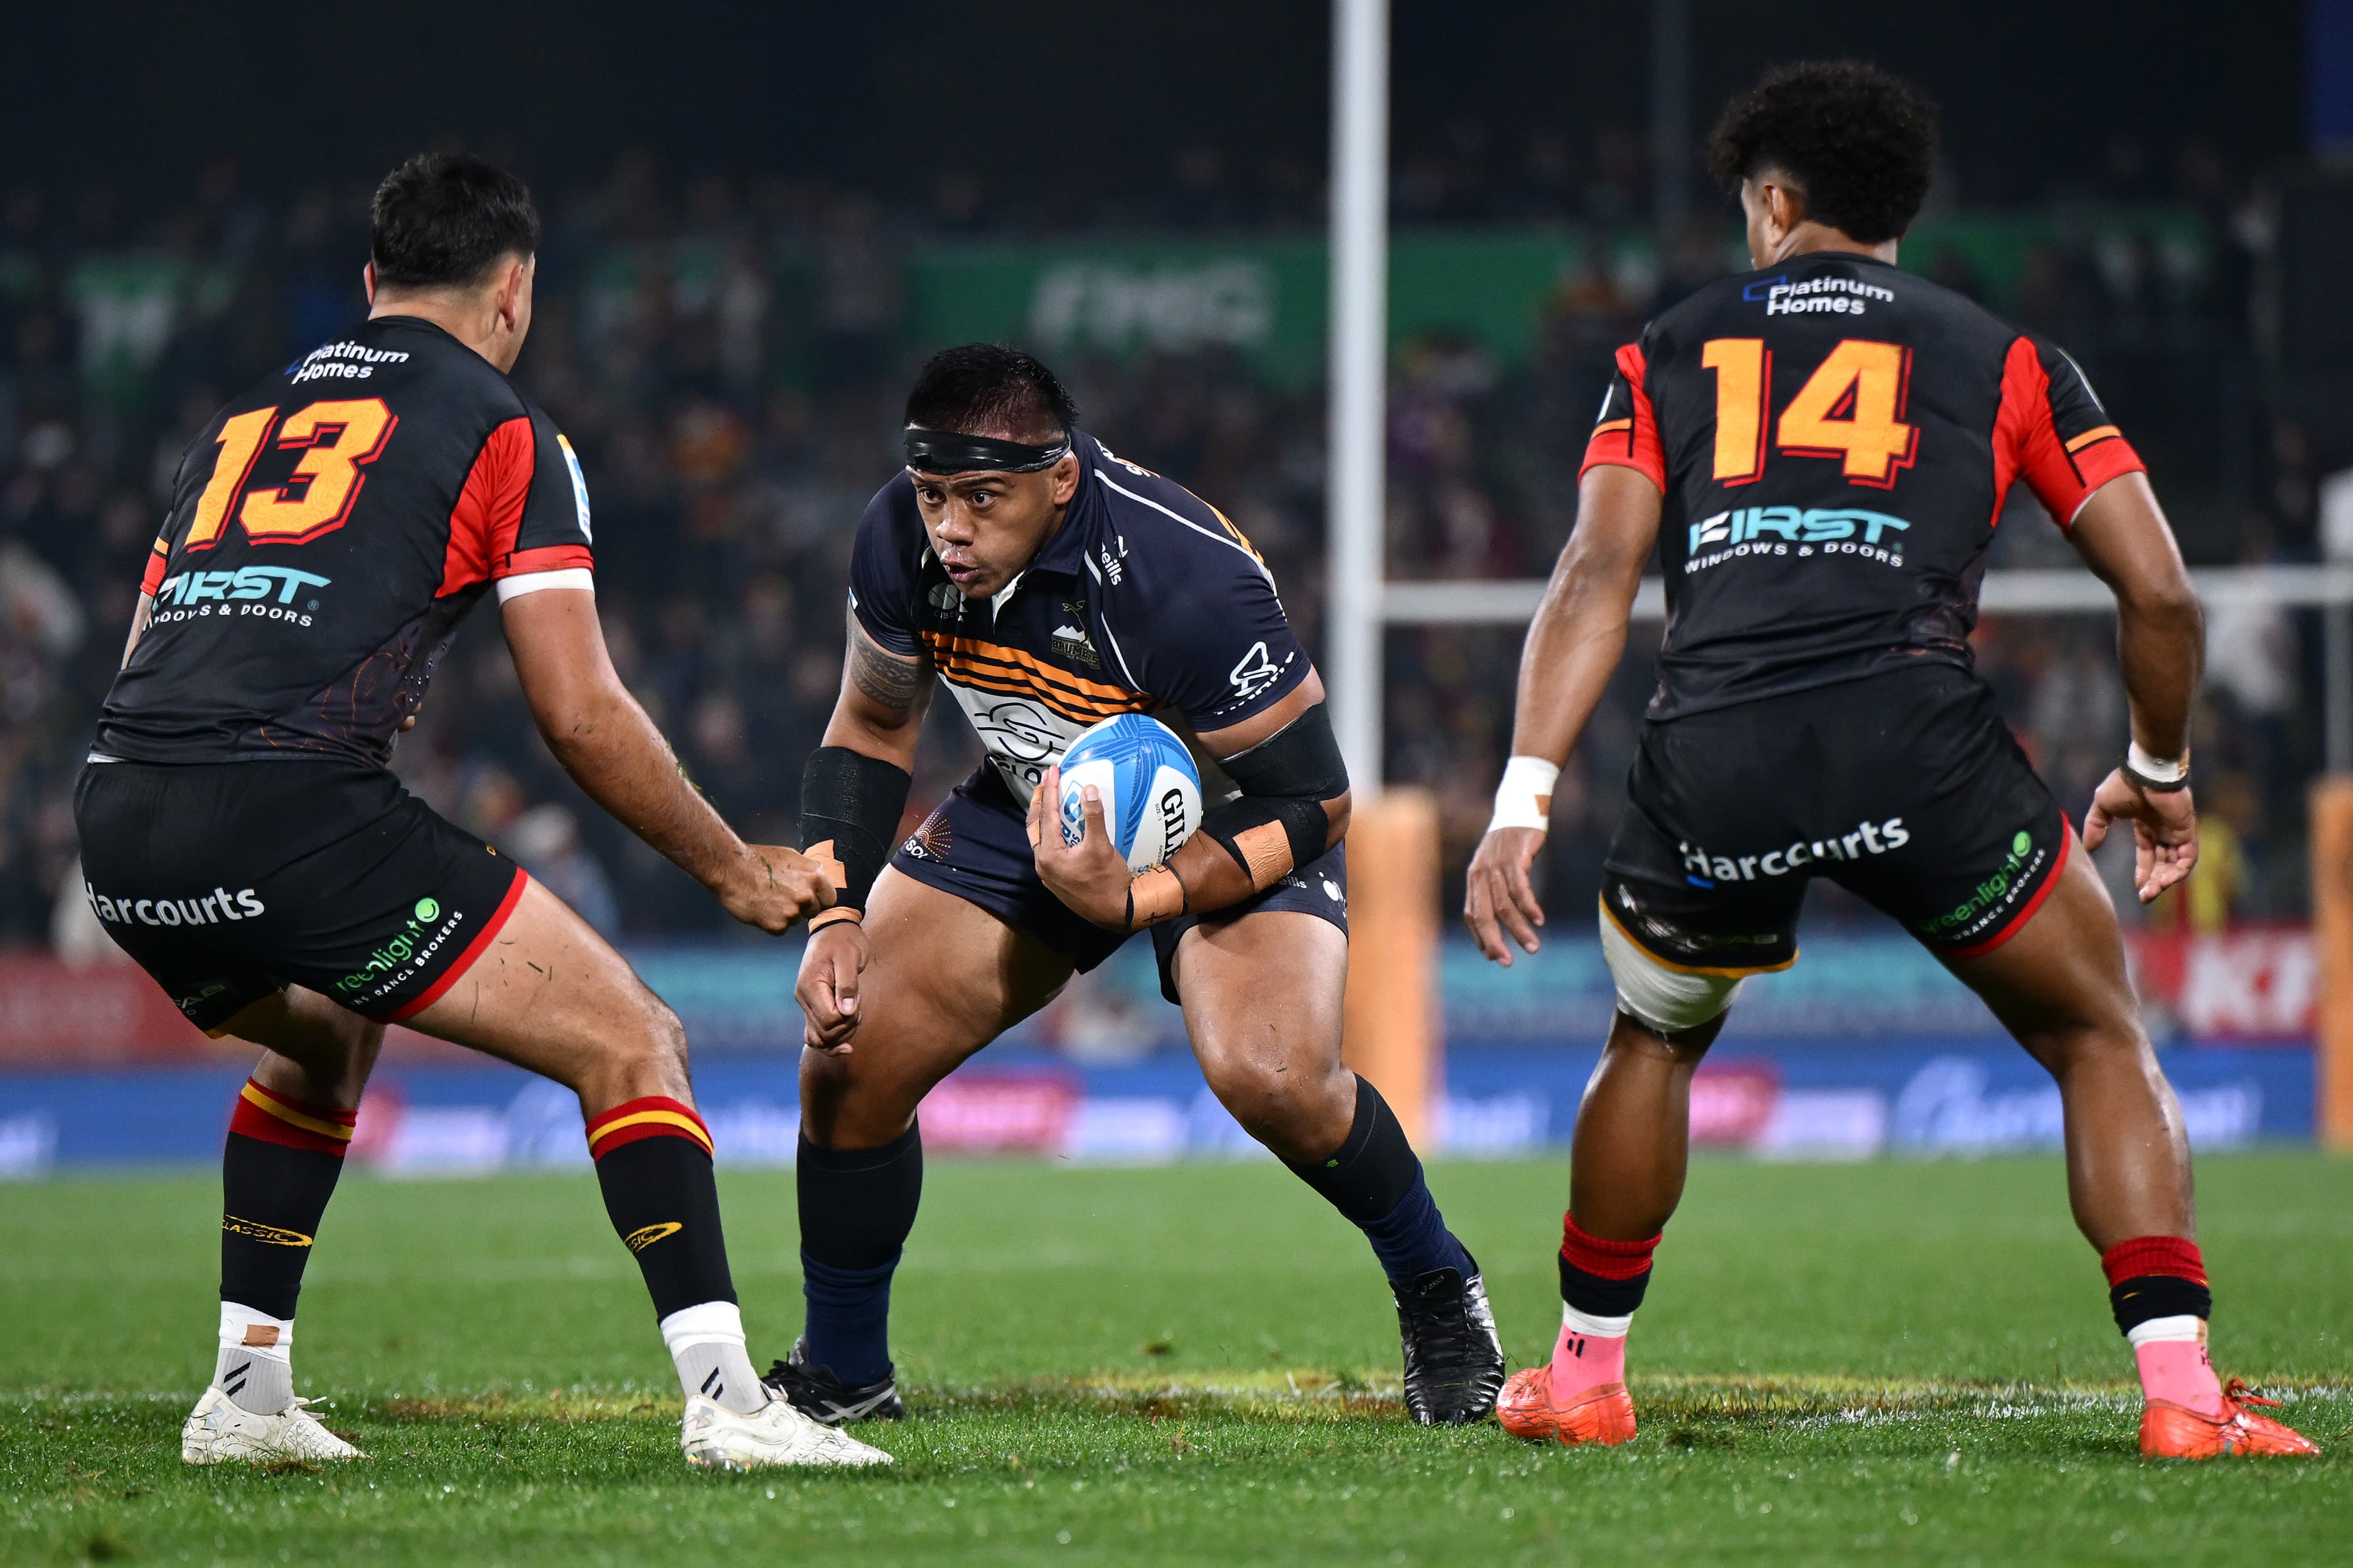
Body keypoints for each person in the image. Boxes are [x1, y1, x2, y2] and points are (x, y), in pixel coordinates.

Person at [1462, 62, 2317, 1461]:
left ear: (1778, 203)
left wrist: (1522, 798)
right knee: (2097, 1031)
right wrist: (2158, 763)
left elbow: (1592, 572)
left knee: (1657, 1038)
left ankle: (1583, 1374)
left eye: (1751, 206)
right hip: (1916, 744)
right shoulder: (2012, 358)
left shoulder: (1664, 350)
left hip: (1715, 747)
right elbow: (2161, 594)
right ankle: (2181, 1397)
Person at [73, 153, 887, 1471]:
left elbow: (139, 661)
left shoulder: (231, 425)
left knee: (325, 1033)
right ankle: (733, 1400)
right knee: (634, 1036)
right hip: (289, 810)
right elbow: (579, 708)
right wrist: (736, 867)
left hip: (118, 820)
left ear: (369, 285)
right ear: (514, 291)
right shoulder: (502, 425)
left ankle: (245, 1388)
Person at [774, 344, 1503, 1427]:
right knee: (847, 1059)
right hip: (1034, 794)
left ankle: (1440, 1288)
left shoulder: (1182, 577)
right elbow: (873, 724)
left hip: (1226, 816)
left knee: (1274, 1077)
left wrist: (1137, 900)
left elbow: (1315, 799)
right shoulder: (896, 535)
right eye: (934, 495)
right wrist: (834, 907)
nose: (950, 529)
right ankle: (843, 1369)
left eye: (983, 498)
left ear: (1060, 479)